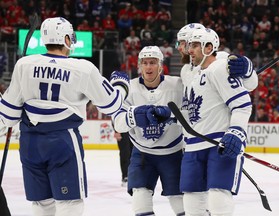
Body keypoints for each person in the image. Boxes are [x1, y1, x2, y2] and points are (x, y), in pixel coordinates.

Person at [0, 17, 130, 216]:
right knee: (70, 205)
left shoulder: (24, 65)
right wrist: (121, 85)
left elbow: (8, 114)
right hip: (62, 142)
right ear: (67, 39)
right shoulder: (82, 69)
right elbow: (112, 103)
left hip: (29, 143)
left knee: (41, 204)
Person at [180, 28, 252, 215]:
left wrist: (236, 133)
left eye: (195, 45)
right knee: (191, 201)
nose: (190, 50)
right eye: (190, 45)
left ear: (209, 47)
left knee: (218, 197)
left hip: (219, 141)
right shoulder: (192, 75)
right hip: (194, 145)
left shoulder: (220, 68)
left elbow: (242, 104)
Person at [112, 46, 185, 216]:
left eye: (153, 63)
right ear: (140, 66)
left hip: (173, 154)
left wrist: (171, 114)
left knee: (180, 203)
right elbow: (119, 124)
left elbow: (192, 113)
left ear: (161, 66)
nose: (149, 67)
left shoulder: (178, 85)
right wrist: (135, 116)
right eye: (145, 63)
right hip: (143, 153)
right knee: (140, 200)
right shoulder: (129, 88)